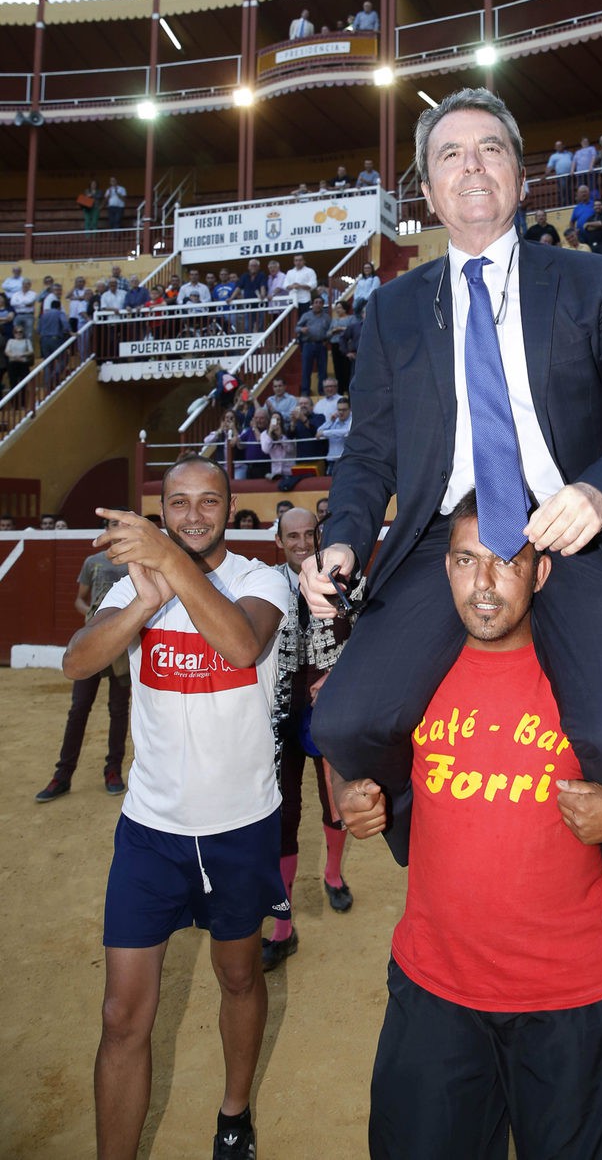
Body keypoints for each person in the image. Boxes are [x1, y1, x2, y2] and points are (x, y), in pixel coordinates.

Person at [301, 86, 602, 865]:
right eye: (451, 153)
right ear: (428, 191)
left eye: (491, 149)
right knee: (344, 724)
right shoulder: (391, 308)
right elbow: (370, 451)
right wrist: (341, 542)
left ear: (519, 177)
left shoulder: (588, 282)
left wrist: (597, 491)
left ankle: (585, 861)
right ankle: (429, 836)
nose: (472, 165)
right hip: (443, 538)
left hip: (565, 529)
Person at [334, 490, 602, 1160]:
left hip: (567, 996)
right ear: (446, 568)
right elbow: (360, 752)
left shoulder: (585, 675)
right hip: (435, 987)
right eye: (466, 561)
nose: (485, 585)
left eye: (505, 561)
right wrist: (355, 795)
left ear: (541, 571)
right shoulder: (415, 670)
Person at [61, 457, 289, 1160]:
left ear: (230, 508)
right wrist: (142, 598)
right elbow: (77, 662)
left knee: (239, 977)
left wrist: (170, 568)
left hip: (240, 826)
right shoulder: (141, 584)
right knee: (122, 1016)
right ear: (164, 510)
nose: (194, 515)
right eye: (179, 504)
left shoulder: (261, 579)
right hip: (151, 832)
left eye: (209, 501)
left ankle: (234, 1112)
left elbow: (242, 644)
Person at [262, 509, 354, 973]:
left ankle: (333, 875)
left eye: (307, 534)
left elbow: (372, 637)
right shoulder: (264, 583)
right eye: (291, 536)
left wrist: (340, 672)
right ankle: (282, 926)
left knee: (334, 803)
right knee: (282, 814)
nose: (300, 542)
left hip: (328, 709)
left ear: (319, 536)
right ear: (279, 540)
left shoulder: (345, 580)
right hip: (280, 713)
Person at [35, 547, 132, 803]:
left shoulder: (136, 562)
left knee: (119, 709)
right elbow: (80, 599)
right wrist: (92, 617)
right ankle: (62, 775)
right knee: (79, 708)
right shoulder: (93, 562)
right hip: (94, 641)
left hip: (122, 643)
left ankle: (112, 771)